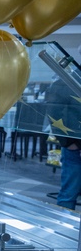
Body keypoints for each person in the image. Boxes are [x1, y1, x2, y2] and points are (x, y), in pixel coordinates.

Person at [45, 70, 81, 210]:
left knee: (68, 193)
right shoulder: (66, 81)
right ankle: (63, 222)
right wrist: (69, 143)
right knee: (68, 194)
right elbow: (53, 113)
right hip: (75, 146)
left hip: (74, 145)